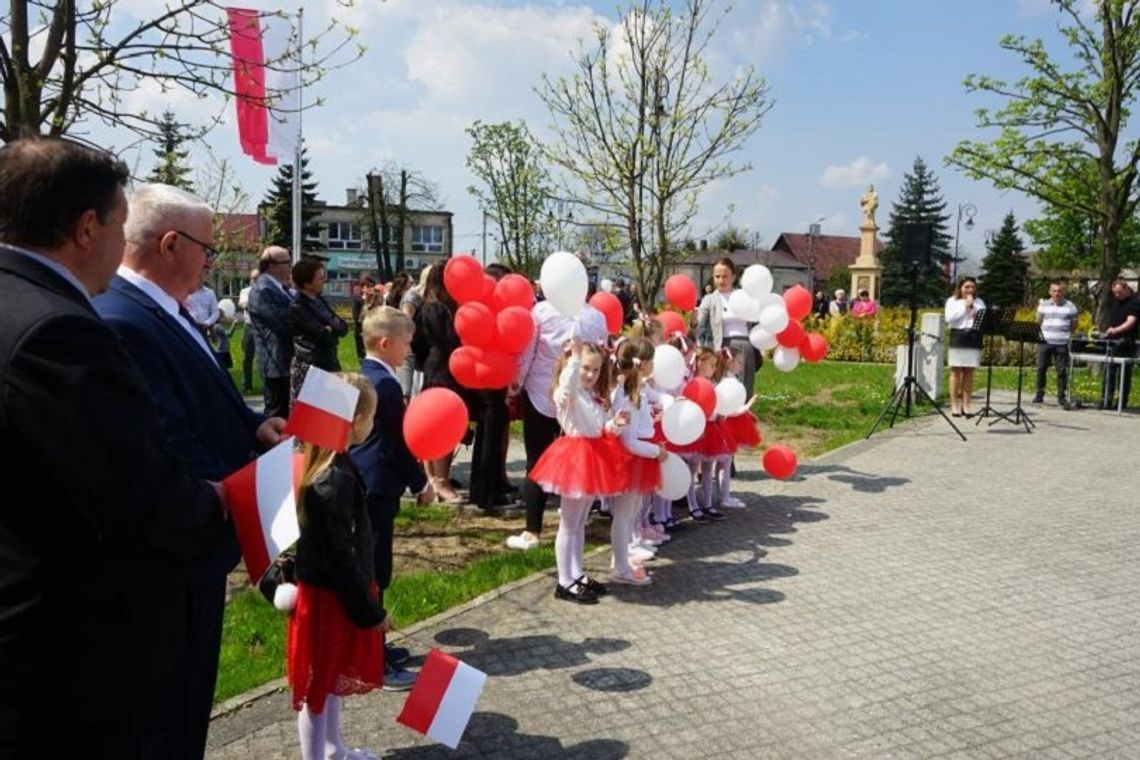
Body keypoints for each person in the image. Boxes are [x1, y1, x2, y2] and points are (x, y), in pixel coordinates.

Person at [0, 137, 225, 756]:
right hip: (64, 651)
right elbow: (138, 496)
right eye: (121, 225)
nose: (124, 246)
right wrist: (222, 505)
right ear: (86, 227)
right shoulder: (60, 330)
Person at [94, 182, 288, 760]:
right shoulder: (122, 319)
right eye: (208, 248)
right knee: (166, 715)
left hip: (201, 545)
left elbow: (199, 399)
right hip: (174, 553)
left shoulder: (163, 309)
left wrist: (253, 429)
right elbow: (166, 439)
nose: (213, 260)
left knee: (187, 705)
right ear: (171, 244)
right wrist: (246, 493)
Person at [287, 373, 393, 760]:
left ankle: (333, 748)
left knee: (329, 681)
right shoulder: (331, 479)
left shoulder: (338, 467)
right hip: (329, 602)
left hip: (334, 597)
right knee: (318, 689)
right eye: (371, 417)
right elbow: (339, 557)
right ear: (353, 422)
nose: (373, 425)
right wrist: (370, 613)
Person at [350, 306, 434, 691]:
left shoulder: (363, 374)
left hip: (366, 483)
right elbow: (397, 445)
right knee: (374, 570)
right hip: (378, 485)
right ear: (385, 343)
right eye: (405, 343)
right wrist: (421, 483)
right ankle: (372, 658)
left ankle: (376, 644)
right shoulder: (382, 385)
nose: (409, 349)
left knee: (372, 567)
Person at [529, 340, 628, 603]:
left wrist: (614, 425)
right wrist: (573, 360)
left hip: (594, 456)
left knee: (580, 521)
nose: (591, 375)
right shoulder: (568, 393)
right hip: (575, 459)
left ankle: (577, 573)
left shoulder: (591, 396)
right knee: (569, 523)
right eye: (586, 368)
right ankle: (564, 581)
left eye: (595, 370)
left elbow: (598, 427)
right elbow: (565, 389)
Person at [509, 290, 608, 551]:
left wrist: (517, 382)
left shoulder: (541, 311)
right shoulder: (597, 316)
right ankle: (574, 524)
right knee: (577, 461)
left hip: (543, 393)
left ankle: (533, 529)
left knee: (537, 461)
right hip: (577, 399)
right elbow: (602, 356)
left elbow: (529, 351)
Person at [610, 338, 667, 585]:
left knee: (631, 511)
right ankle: (621, 565)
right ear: (642, 364)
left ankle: (624, 556)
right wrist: (657, 452)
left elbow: (637, 429)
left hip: (640, 457)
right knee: (624, 515)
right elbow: (630, 441)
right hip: (634, 459)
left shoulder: (635, 393)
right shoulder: (626, 397)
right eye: (651, 359)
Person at [418, 263, 468, 504]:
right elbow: (448, 339)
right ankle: (441, 480)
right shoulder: (437, 308)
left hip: (437, 366)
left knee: (436, 426)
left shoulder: (432, 306)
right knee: (442, 427)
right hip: (442, 369)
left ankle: (433, 478)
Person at [696, 257, 758, 399]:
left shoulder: (743, 296)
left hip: (746, 347)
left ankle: (744, 418)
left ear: (733, 277)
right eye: (717, 276)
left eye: (725, 276)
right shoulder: (709, 299)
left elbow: (755, 320)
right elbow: (701, 327)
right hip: (723, 348)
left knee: (745, 388)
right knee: (726, 389)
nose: (721, 280)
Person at [290, 257, 349, 401]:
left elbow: (342, 328)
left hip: (329, 362)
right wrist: (330, 328)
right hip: (311, 366)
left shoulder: (320, 300)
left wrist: (331, 327)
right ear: (306, 282)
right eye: (320, 278)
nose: (324, 280)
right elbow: (322, 335)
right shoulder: (298, 307)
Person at [249, 245, 295, 418]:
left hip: (286, 361)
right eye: (287, 262)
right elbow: (283, 324)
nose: (291, 266)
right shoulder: (263, 290)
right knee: (277, 417)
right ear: (271, 265)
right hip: (276, 364)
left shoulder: (279, 288)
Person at [945, 276, 986, 417]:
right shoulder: (952, 301)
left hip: (974, 337)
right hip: (958, 336)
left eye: (973, 287)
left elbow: (983, 320)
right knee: (956, 371)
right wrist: (965, 306)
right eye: (967, 287)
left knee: (969, 371)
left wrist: (976, 314)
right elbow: (950, 318)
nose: (970, 290)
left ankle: (967, 404)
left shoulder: (980, 302)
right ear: (960, 288)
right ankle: (954, 404)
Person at [1033, 281, 1079, 408]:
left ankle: (1061, 397)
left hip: (1061, 343)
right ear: (1050, 292)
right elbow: (1038, 322)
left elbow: (1074, 324)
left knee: (1061, 371)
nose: (1057, 293)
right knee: (1041, 368)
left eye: (1059, 291)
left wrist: (1064, 333)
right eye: (1054, 291)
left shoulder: (1070, 306)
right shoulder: (1043, 305)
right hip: (1045, 342)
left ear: (1063, 292)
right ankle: (1039, 395)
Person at [1101, 278, 1139, 409]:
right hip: (1112, 342)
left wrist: (1115, 330)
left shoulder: (1134, 303)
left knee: (1123, 374)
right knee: (1109, 373)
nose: (1117, 295)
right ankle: (1106, 400)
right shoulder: (1114, 302)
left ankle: (1122, 402)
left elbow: (1130, 322)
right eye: (1115, 293)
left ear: (1126, 289)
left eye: (1119, 292)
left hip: (1126, 342)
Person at [238, 268, 259, 392]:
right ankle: (247, 384)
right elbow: (243, 304)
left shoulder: (265, 291)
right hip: (250, 326)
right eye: (252, 278)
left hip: (262, 328)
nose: (253, 280)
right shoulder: (245, 291)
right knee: (248, 356)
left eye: (256, 278)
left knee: (263, 357)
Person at [350, 274, 374, 361]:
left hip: (373, 331)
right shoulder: (358, 300)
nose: (369, 288)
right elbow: (356, 317)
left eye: (371, 286)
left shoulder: (376, 299)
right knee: (362, 356)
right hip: (361, 331)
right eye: (366, 286)